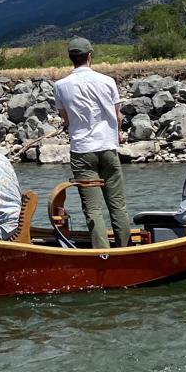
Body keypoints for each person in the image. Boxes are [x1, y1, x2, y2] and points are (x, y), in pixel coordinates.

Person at [53, 36, 131, 249]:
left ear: (71, 59)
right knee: (117, 205)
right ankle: (126, 249)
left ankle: (102, 254)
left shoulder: (60, 86)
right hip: (107, 147)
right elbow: (118, 116)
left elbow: (65, 119)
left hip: (82, 151)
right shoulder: (108, 81)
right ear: (89, 56)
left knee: (93, 208)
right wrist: (119, 134)